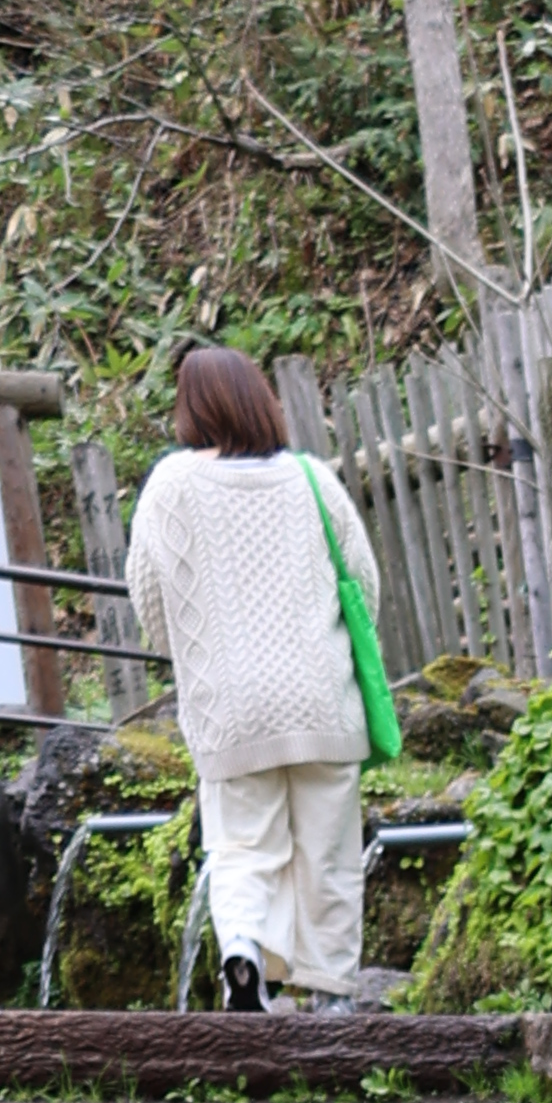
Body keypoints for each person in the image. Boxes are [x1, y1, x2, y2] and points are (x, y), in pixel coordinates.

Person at [121, 345, 384, 1011]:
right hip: (322, 700)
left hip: (230, 706)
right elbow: (364, 584)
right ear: (261, 401)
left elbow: (150, 601)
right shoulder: (311, 479)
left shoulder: (170, 484)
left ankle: (244, 953)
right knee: (328, 854)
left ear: (190, 408)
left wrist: (196, 651)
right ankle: (331, 997)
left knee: (243, 846)